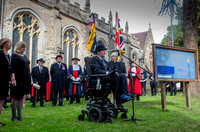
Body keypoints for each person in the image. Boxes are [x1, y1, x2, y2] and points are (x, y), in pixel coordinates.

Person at [11, 41, 31, 121]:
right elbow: (12, 68)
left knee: (21, 97)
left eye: (25, 47)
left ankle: (19, 115)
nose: (24, 49)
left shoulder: (24, 56)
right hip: (17, 78)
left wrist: (30, 77)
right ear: (19, 47)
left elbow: (27, 67)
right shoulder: (14, 56)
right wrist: (13, 79)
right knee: (15, 97)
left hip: (25, 78)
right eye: (23, 47)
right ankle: (14, 116)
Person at [0, 38, 16, 126]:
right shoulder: (0, 54)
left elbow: (11, 68)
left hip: (6, 80)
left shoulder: (8, 55)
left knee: (2, 99)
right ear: (4, 44)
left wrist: (13, 78)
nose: (11, 44)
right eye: (9, 43)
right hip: (1, 79)